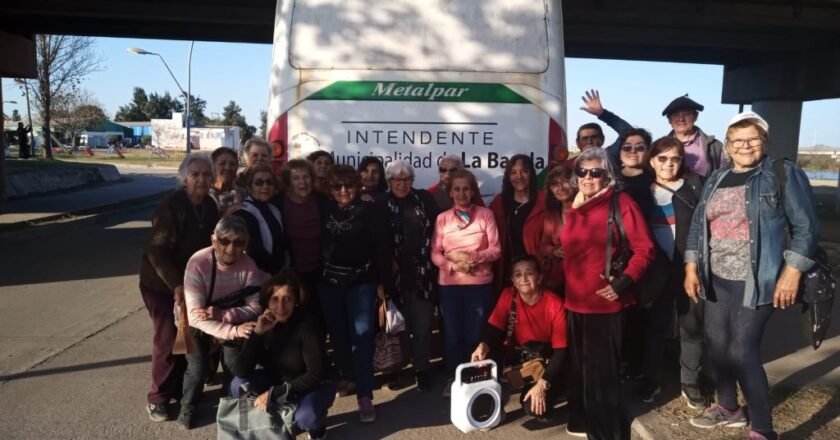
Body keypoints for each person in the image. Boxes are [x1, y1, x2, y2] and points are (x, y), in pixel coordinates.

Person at [684, 112, 818, 440]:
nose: (745, 146)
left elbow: (806, 228)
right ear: (727, 146)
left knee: (743, 351)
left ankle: (762, 428)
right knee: (716, 346)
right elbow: (699, 225)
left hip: (758, 278)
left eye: (753, 139)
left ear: (765, 142)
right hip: (715, 277)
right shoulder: (716, 177)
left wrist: (792, 274)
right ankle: (729, 408)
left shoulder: (781, 173)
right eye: (737, 140)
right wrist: (691, 266)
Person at [559, 147, 654, 439]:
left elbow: (645, 249)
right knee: (581, 371)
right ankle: (583, 422)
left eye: (596, 173)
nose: (588, 178)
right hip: (575, 301)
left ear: (607, 176)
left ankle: (607, 434)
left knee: (602, 375)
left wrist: (622, 283)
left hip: (604, 303)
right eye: (582, 172)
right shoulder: (576, 205)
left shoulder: (620, 202)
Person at [139, 153, 220, 422]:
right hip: (161, 283)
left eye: (206, 175)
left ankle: (179, 390)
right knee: (167, 338)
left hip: (192, 283)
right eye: (195, 175)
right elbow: (157, 251)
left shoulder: (209, 205)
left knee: (189, 338)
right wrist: (175, 285)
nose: (201, 180)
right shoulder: (170, 206)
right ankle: (157, 398)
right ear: (184, 179)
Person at [318, 164, 395, 423]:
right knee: (339, 336)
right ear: (330, 189)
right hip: (329, 284)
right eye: (337, 186)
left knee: (362, 338)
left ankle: (365, 395)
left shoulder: (371, 209)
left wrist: (386, 284)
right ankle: (345, 377)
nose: (343, 190)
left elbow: (383, 248)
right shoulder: (324, 208)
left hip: (361, 282)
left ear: (357, 186)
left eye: (348, 185)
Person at [177, 216, 269, 429]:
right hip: (197, 322)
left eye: (238, 242)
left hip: (226, 318)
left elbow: (255, 307)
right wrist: (232, 329)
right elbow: (195, 316)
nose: (231, 248)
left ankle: (227, 404)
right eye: (224, 241)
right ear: (213, 240)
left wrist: (223, 316)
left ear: (246, 243)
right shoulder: (198, 263)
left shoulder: (248, 265)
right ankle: (188, 406)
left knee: (233, 364)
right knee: (197, 367)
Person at [637, 136, 707, 408]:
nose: (668, 164)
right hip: (655, 272)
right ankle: (651, 380)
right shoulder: (642, 192)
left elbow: (703, 229)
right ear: (652, 160)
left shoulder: (692, 188)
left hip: (688, 270)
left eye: (674, 158)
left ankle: (690, 382)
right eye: (662, 158)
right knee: (654, 328)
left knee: (691, 328)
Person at [227, 273, 335, 440]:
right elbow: (240, 370)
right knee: (238, 385)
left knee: (306, 417)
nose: (281, 306)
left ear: (297, 301)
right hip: (277, 380)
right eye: (275, 299)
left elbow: (316, 373)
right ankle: (270, 424)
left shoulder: (308, 325)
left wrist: (276, 393)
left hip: (313, 385)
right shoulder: (263, 323)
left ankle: (318, 428)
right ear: (267, 302)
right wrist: (257, 334)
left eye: (288, 299)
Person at [431, 169, 501, 398]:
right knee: (452, 335)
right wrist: (454, 266)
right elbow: (435, 253)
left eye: (466, 188)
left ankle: (475, 378)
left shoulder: (485, 215)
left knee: (475, 334)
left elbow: (496, 249)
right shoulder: (442, 219)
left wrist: (473, 258)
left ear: (473, 191)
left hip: (479, 285)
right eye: (457, 189)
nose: (461, 193)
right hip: (450, 286)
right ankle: (454, 377)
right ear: (450, 193)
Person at [470, 255, 567, 421]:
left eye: (529, 273)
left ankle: (559, 390)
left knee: (534, 409)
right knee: (485, 355)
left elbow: (562, 350)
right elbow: (494, 328)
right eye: (518, 274)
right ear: (513, 280)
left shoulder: (554, 303)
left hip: (547, 361)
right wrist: (483, 344)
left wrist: (543, 383)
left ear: (540, 277)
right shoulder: (508, 295)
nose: (523, 279)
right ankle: (491, 406)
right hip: (522, 358)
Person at [384, 160, 440, 391]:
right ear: (389, 182)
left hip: (423, 273)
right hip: (394, 275)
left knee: (423, 324)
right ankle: (401, 368)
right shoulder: (380, 203)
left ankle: (422, 368)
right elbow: (375, 238)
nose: (402, 184)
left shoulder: (424, 198)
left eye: (407, 179)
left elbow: (438, 229)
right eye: (397, 180)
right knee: (400, 327)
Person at [278, 159, 328, 317]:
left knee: (318, 317)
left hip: (320, 272)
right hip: (290, 272)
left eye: (306, 177)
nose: (303, 182)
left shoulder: (322, 200)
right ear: (288, 181)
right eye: (296, 178)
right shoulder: (278, 202)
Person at [489, 154, 545, 290]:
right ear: (508, 176)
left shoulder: (544, 201)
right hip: (506, 272)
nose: (519, 176)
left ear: (531, 173)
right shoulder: (499, 202)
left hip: (535, 273)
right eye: (513, 172)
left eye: (524, 171)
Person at [233, 164, 287, 275]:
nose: (265, 186)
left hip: (277, 273)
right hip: (255, 274)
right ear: (249, 187)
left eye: (269, 182)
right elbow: (253, 249)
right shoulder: (243, 212)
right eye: (259, 183)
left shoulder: (274, 209)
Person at [662, 95, 725, 177]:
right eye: (676, 115)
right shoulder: (659, 148)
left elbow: (724, 176)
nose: (681, 119)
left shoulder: (715, 147)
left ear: (695, 116)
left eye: (686, 114)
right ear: (669, 120)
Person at [539, 164, 576, 292]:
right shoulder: (552, 215)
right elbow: (543, 245)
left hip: (585, 277)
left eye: (565, 182)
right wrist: (554, 251)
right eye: (555, 185)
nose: (560, 188)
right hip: (560, 279)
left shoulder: (587, 209)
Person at [209, 147, 246, 215]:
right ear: (212, 166)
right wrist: (226, 214)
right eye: (222, 164)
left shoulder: (243, 194)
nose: (228, 168)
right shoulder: (206, 195)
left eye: (232, 164)